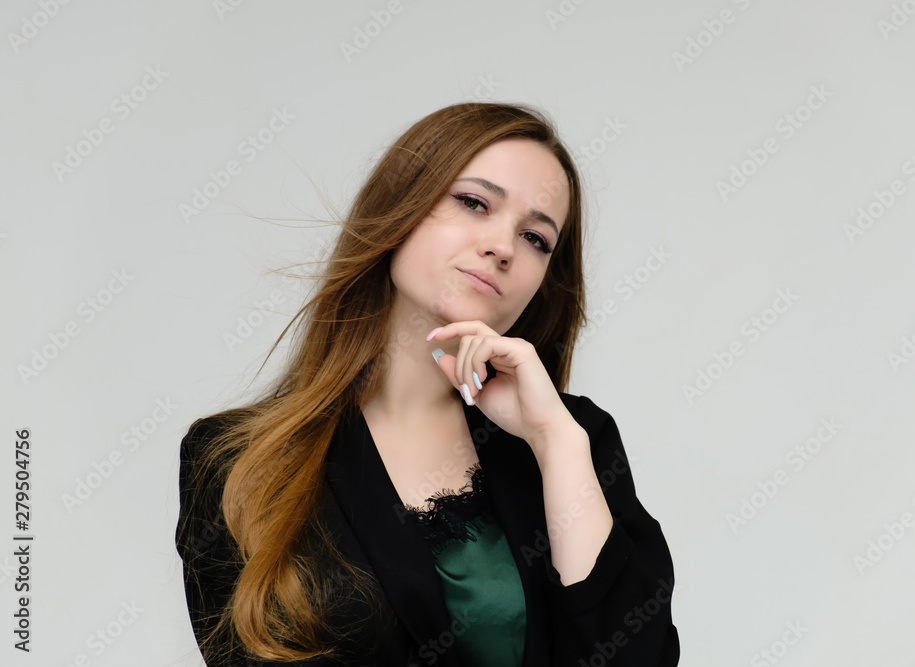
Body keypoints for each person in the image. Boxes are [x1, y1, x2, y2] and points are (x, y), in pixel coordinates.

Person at [174, 102, 681, 666]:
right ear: (401, 204)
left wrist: (555, 443)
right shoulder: (236, 461)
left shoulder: (574, 438)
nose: (503, 247)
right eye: (474, 203)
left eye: (536, 238)